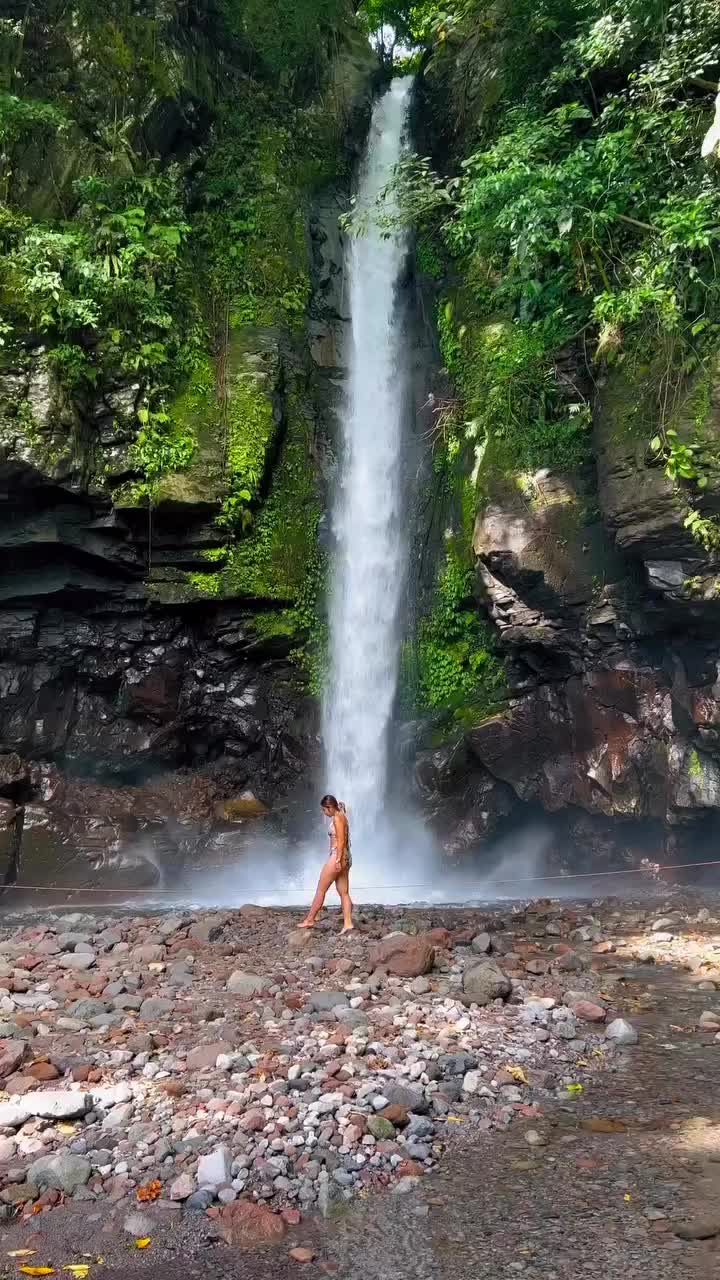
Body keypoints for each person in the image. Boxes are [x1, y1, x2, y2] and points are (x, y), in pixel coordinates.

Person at [299, 794, 353, 933]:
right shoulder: (342, 814)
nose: (324, 813)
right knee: (344, 893)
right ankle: (348, 923)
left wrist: (337, 860)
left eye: (324, 810)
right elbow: (341, 809)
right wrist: (340, 806)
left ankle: (310, 919)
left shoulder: (336, 819)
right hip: (347, 857)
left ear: (330, 808)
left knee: (321, 890)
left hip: (337, 856)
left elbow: (340, 841)